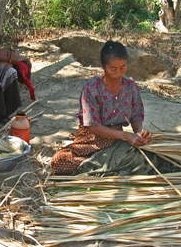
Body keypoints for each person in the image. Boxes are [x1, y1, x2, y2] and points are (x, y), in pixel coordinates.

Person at [51, 41, 152, 175]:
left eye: (123, 67)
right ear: (102, 65)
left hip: (116, 141)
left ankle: (104, 167)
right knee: (59, 161)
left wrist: (138, 132)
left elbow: (136, 115)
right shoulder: (91, 88)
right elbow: (93, 126)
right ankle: (112, 166)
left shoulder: (131, 86)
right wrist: (126, 135)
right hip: (90, 139)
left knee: (148, 156)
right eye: (113, 69)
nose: (118, 73)